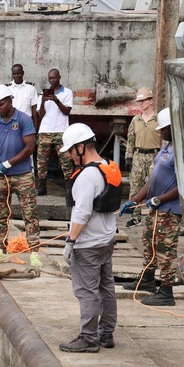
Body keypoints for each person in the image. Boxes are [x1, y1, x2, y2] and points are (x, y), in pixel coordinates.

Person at [58, 123, 118, 352]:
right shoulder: (107, 166)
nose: (70, 156)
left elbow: (82, 213)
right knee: (106, 288)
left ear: (81, 147)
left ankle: (89, 338)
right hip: (105, 240)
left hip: (88, 245)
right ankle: (106, 334)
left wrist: (70, 242)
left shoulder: (86, 176)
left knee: (87, 292)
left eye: (71, 151)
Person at [119, 107, 182, 306]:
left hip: (169, 210)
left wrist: (160, 199)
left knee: (165, 250)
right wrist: (135, 198)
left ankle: (166, 291)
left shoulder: (181, 152)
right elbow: (153, 179)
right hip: (157, 209)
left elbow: (183, 185)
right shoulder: (166, 147)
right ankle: (147, 279)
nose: (161, 133)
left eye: (163, 129)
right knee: (150, 244)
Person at [0, 84, 40, 267]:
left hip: (22, 175)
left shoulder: (24, 119)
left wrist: (7, 163)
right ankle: (1, 249)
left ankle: (34, 251)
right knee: (0, 214)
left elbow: (30, 148)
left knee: (30, 213)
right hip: (1, 177)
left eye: (2, 104)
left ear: (10, 100)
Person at [35, 68, 74, 196]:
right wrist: (42, 103)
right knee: (42, 161)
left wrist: (56, 100)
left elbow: (67, 111)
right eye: (50, 78)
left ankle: (69, 189)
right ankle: (42, 187)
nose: (52, 80)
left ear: (59, 77)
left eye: (54, 78)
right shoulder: (43, 93)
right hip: (45, 130)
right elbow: (40, 115)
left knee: (66, 161)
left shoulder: (67, 92)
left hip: (61, 131)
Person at [123, 87, 162, 204]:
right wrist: (128, 157)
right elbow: (130, 140)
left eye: (144, 100)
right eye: (139, 101)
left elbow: (164, 140)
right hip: (138, 156)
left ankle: (154, 214)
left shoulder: (158, 119)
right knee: (135, 186)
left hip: (155, 156)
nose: (141, 104)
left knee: (156, 186)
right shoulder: (136, 120)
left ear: (151, 101)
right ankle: (135, 215)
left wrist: (163, 157)